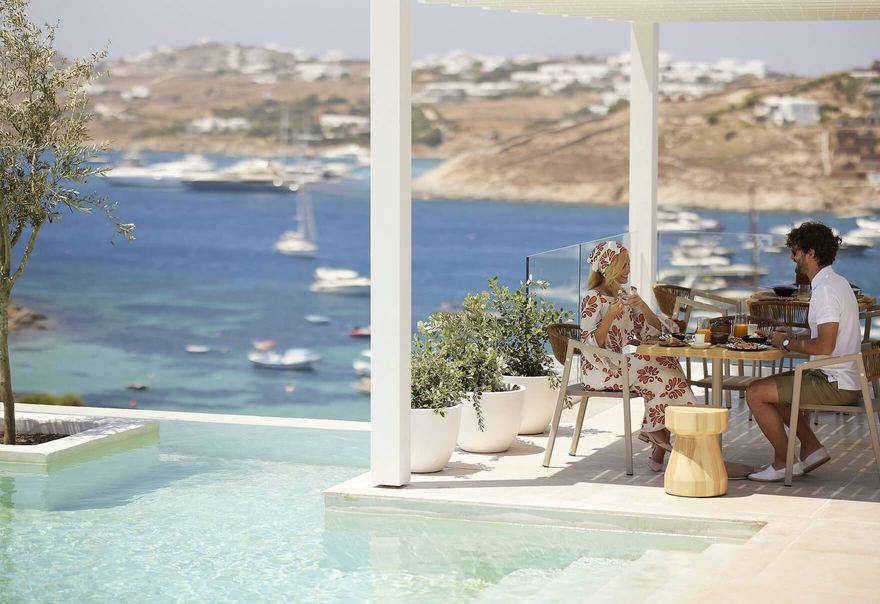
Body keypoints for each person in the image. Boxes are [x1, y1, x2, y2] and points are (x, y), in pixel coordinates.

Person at [746, 221, 862, 482]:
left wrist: (788, 344)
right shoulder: (837, 283)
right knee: (775, 390)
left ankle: (783, 463)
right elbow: (826, 334)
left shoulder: (826, 291)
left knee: (755, 393)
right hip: (840, 376)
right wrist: (796, 337)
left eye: (796, 251)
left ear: (811, 253)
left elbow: (825, 346)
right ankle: (812, 449)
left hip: (833, 382)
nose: (793, 257)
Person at [580, 241, 696, 472]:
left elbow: (652, 331)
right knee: (653, 370)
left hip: (621, 365)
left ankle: (657, 433)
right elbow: (590, 344)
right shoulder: (593, 299)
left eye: (629, 265)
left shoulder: (624, 294)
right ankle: (660, 434)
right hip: (599, 370)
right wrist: (610, 316)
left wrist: (642, 306)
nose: (628, 270)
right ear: (608, 266)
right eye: (623, 266)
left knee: (667, 362)